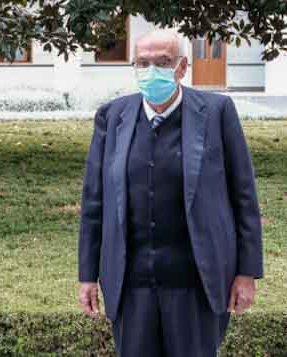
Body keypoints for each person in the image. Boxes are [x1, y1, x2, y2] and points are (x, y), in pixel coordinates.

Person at [78, 30, 263, 357]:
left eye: (163, 62)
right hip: (131, 284)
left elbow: (243, 195)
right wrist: (87, 275)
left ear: (181, 67)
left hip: (196, 282)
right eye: (144, 63)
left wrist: (246, 273)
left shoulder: (217, 112)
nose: (152, 71)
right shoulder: (113, 116)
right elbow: (95, 202)